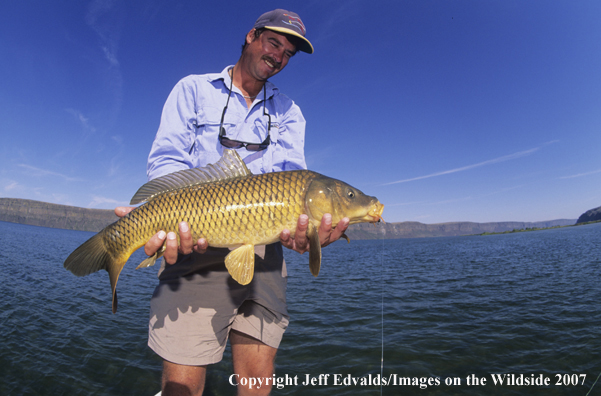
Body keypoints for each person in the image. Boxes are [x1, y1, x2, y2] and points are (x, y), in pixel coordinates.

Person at [116, 9, 348, 396]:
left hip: (266, 253)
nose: (279, 56)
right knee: (182, 383)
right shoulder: (193, 89)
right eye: (274, 42)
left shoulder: (290, 112)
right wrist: (163, 214)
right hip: (192, 246)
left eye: (289, 53)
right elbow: (166, 160)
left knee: (258, 379)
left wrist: (304, 233)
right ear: (251, 36)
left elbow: (295, 178)